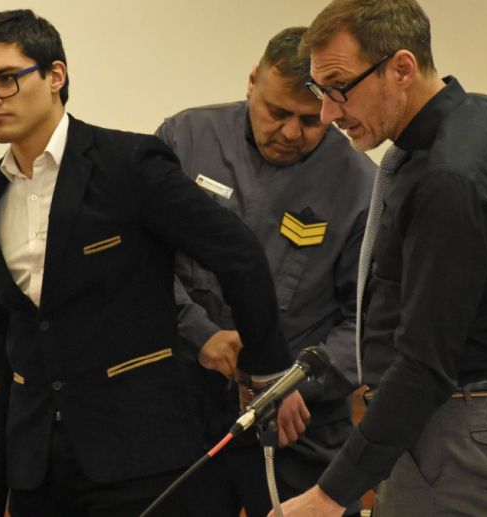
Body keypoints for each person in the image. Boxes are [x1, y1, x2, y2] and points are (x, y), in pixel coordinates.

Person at [0, 10, 308, 517]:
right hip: (39, 463)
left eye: (6, 78)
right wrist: (6, 477)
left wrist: (267, 370)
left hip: (139, 453)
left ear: (55, 76)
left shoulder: (128, 164)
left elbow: (238, 254)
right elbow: (6, 336)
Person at [273, 1, 487, 515]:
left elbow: (425, 361)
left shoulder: (446, 177)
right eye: (321, 92)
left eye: (339, 87)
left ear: (402, 68)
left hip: (447, 431)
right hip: (475, 420)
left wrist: (329, 495)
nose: (329, 113)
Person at [155, 27, 374, 517]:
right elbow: (140, 263)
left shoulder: (361, 186)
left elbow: (366, 323)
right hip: (183, 414)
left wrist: (283, 384)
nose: (291, 133)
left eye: (310, 119)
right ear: (252, 81)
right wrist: (199, 332)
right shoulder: (185, 139)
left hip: (298, 429)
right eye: (277, 112)